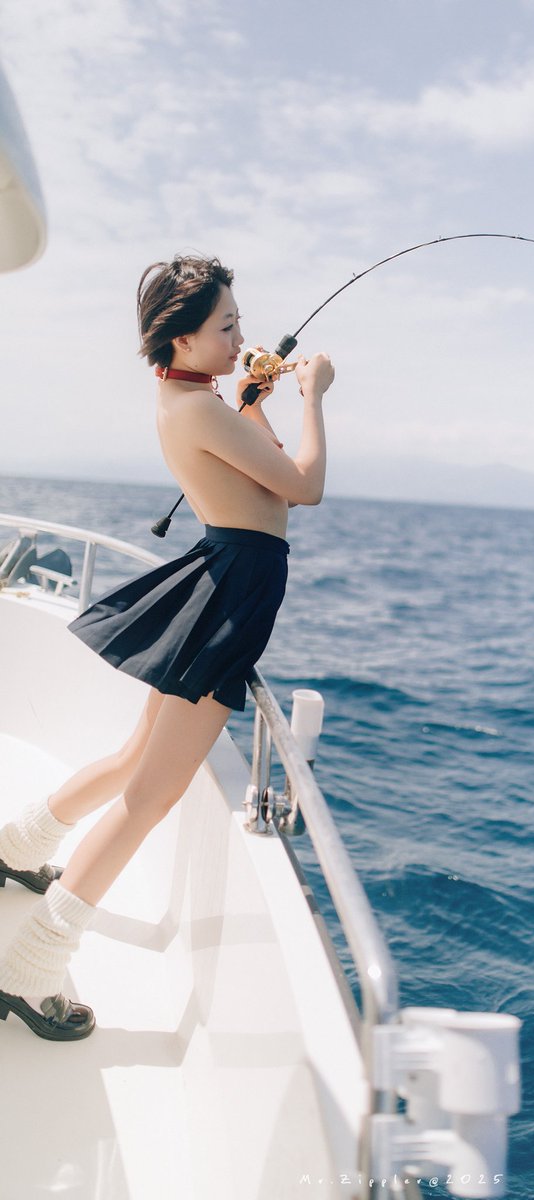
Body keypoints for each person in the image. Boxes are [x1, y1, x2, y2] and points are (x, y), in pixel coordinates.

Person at [0, 254, 334, 1041]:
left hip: (223, 582)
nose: (242, 338)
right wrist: (313, 400)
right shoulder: (202, 409)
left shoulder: (195, 399)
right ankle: (31, 964)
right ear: (179, 341)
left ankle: (20, 845)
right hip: (231, 597)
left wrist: (253, 401)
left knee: (132, 759)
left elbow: (261, 480)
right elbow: (302, 486)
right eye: (226, 328)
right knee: (150, 794)